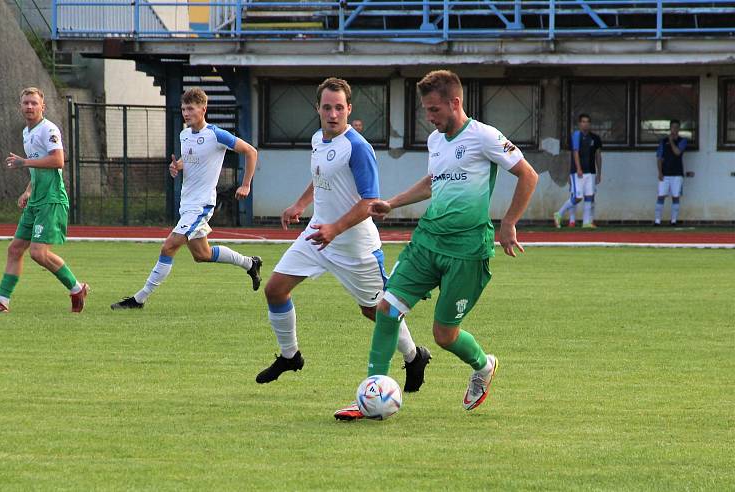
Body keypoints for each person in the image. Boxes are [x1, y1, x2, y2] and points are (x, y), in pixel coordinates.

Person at [334, 70, 538, 420]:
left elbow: (527, 174)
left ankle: (483, 365)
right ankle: (372, 395)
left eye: (434, 110)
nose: (429, 118)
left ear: (455, 103)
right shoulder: (436, 141)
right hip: (426, 242)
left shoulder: (484, 137)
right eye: (426, 111)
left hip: (468, 251)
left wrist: (509, 223)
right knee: (387, 309)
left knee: (444, 335)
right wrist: (393, 202)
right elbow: (434, 181)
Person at [256, 77, 431, 392]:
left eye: (339, 108)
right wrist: (299, 204)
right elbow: (320, 176)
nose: (333, 114)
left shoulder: (358, 147)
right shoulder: (317, 139)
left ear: (349, 109)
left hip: (354, 245)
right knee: (275, 289)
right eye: (327, 107)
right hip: (317, 235)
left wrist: (335, 229)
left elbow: (370, 202)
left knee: (377, 312)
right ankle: (290, 356)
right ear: (318, 109)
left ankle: (414, 356)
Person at [111, 88, 261, 309]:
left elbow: (251, 152)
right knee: (202, 254)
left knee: (168, 247)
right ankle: (250, 264)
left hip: (201, 205)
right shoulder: (184, 135)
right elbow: (189, 160)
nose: (186, 113)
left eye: (190, 109)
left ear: (203, 109)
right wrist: (177, 166)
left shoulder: (216, 134)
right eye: (183, 109)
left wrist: (246, 184)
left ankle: (139, 299)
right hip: (187, 204)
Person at [0, 87, 89, 313]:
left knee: (38, 253)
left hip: (51, 200)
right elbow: (38, 166)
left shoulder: (49, 129)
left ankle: (77, 288)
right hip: (36, 199)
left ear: (42, 106)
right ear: (20, 106)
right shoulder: (27, 132)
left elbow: (58, 161)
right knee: (15, 249)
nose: (29, 106)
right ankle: (1, 301)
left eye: (34, 103)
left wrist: (24, 163)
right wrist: (28, 190)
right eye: (26, 103)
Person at [553, 113, 602, 228]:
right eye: (583, 122)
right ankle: (559, 214)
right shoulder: (576, 135)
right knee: (577, 197)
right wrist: (578, 168)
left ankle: (586, 222)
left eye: (587, 122)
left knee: (589, 196)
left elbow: (598, 155)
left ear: (589, 124)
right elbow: (575, 152)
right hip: (578, 172)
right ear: (579, 124)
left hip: (591, 172)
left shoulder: (594, 138)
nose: (585, 124)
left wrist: (599, 172)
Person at [654, 119, 687, 226]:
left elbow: (677, 152)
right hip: (665, 173)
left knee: (675, 196)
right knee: (661, 196)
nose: (675, 129)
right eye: (673, 127)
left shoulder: (682, 140)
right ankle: (657, 221)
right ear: (670, 128)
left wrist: (671, 141)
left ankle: (673, 221)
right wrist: (660, 172)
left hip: (677, 173)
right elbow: (659, 158)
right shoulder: (663, 142)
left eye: (677, 127)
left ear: (679, 129)